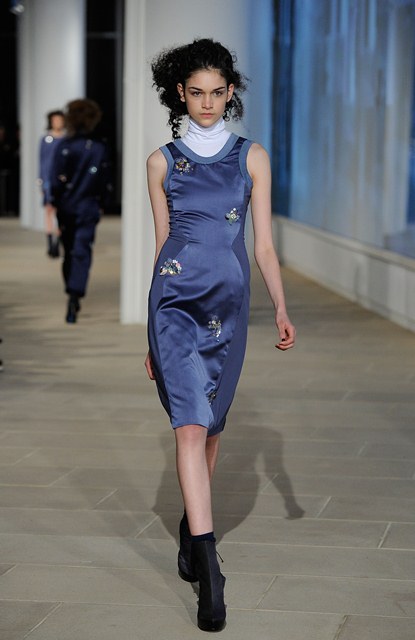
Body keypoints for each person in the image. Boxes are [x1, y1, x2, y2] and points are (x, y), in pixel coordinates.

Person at [145, 38, 296, 632]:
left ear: (230, 93)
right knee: (188, 426)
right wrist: (150, 336)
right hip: (174, 302)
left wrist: (280, 306)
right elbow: (162, 246)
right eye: (196, 93)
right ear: (180, 94)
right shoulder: (161, 162)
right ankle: (210, 570)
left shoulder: (250, 157)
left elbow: (263, 245)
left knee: (210, 428)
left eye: (216, 93)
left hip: (228, 306)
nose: (206, 103)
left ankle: (192, 528)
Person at [49, 99, 112, 323]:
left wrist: (55, 200)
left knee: (70, 250)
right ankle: (74, 295)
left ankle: (72, 292)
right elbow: (104, 179)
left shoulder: (64, 147)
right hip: (88, 206)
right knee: (81, 250)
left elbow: (55, 179)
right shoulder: (99, 148)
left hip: (66, 206)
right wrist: (103, 201)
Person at [38, 110, 65, 257]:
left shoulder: (66, 139)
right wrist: (41, 180)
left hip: (61, 180)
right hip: (48, 179)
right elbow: (42, 160)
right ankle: (50, 243)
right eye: (55, 120)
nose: (57, 123)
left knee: (61, 211)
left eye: (59, 120)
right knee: (49, 210)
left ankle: (57, 242)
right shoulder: (46, 139)